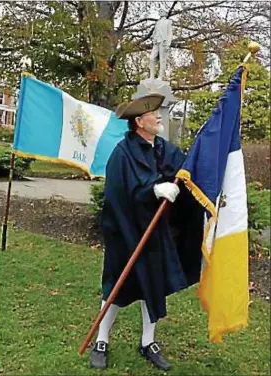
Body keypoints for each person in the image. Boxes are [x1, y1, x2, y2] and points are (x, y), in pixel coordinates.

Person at [90, 94, 204, 371]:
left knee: (153, 286)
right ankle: (101, 340)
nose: (159, 117)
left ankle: (148, 342)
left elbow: (187, 169)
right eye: (154, 114)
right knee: (116, 286)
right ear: (140, 122)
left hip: (155, 233)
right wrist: (152, 190)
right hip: (126, 233)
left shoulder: (164, 149)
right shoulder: (123, 153)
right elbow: (117, 195)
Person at [150, 10, 172, 80]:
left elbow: (170, 33)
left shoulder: (168, 22)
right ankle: (152, 76)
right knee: (152, 58)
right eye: (160, 11)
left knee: (162, 60)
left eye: (161, 11)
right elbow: (155, 32)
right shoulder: (157, 22)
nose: (160, 12)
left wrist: (168, 44)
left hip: (163, 42)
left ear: (165, 13)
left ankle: (160, 76)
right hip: (156, 42)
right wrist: (153, 39)